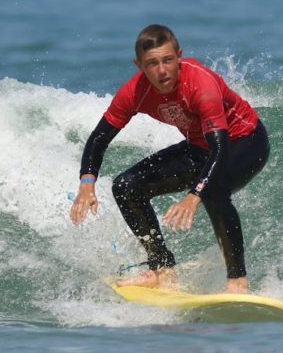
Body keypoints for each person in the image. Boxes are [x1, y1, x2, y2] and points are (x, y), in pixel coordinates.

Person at [69, 24, 269, 294]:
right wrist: (86, 184)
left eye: (168, 60)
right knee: (126, 186)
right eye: (152, 63)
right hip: (201, 148)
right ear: (138, 65)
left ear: (179, 56)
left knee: (213, 191)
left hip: (244, 141)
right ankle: (161, 268)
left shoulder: (200, 84)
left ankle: (238, 282)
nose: (162, 70)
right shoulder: (134, 92)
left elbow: (219, 148)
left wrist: (194, 194)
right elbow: (99, 138)